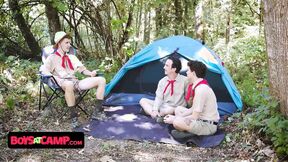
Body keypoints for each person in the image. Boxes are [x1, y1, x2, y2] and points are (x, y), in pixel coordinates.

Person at [40, 31, 106, 128]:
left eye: (70, 43)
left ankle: (97, 111)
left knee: (101, 80)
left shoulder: (72, 57)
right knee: (69, 84)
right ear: (59, 43)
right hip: (62, 83)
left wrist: (90, 73)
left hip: (75, 82)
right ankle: (73, 117)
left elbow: (82, 69)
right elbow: (43, 70)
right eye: (66, 43)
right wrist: (52, 77)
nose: (69, 45)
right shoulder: (52, 58)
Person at [163, 60, 220, 137]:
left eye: (188, 70)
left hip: (207, 125)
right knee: (178, 109)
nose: (186, 72)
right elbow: (193, 109)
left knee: (177, 122)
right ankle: (187, 131)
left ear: (193, 73)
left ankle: (189, 133)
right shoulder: (200, 86)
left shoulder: (201, 89)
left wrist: (175, 119)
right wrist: (179, 116)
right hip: (201, 120)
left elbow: (194, 116)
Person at [139, 55, 188, 122]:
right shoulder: (162, 81)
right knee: (142, 100)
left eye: (167, 66)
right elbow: (159, 98)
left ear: (174, 69)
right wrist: (155, 109)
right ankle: (156, 115)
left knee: (167, 110)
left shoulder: (185, 81)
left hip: (175, 108)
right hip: (163, 105)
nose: (164, 67)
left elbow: (189, 96)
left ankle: (149, 111)